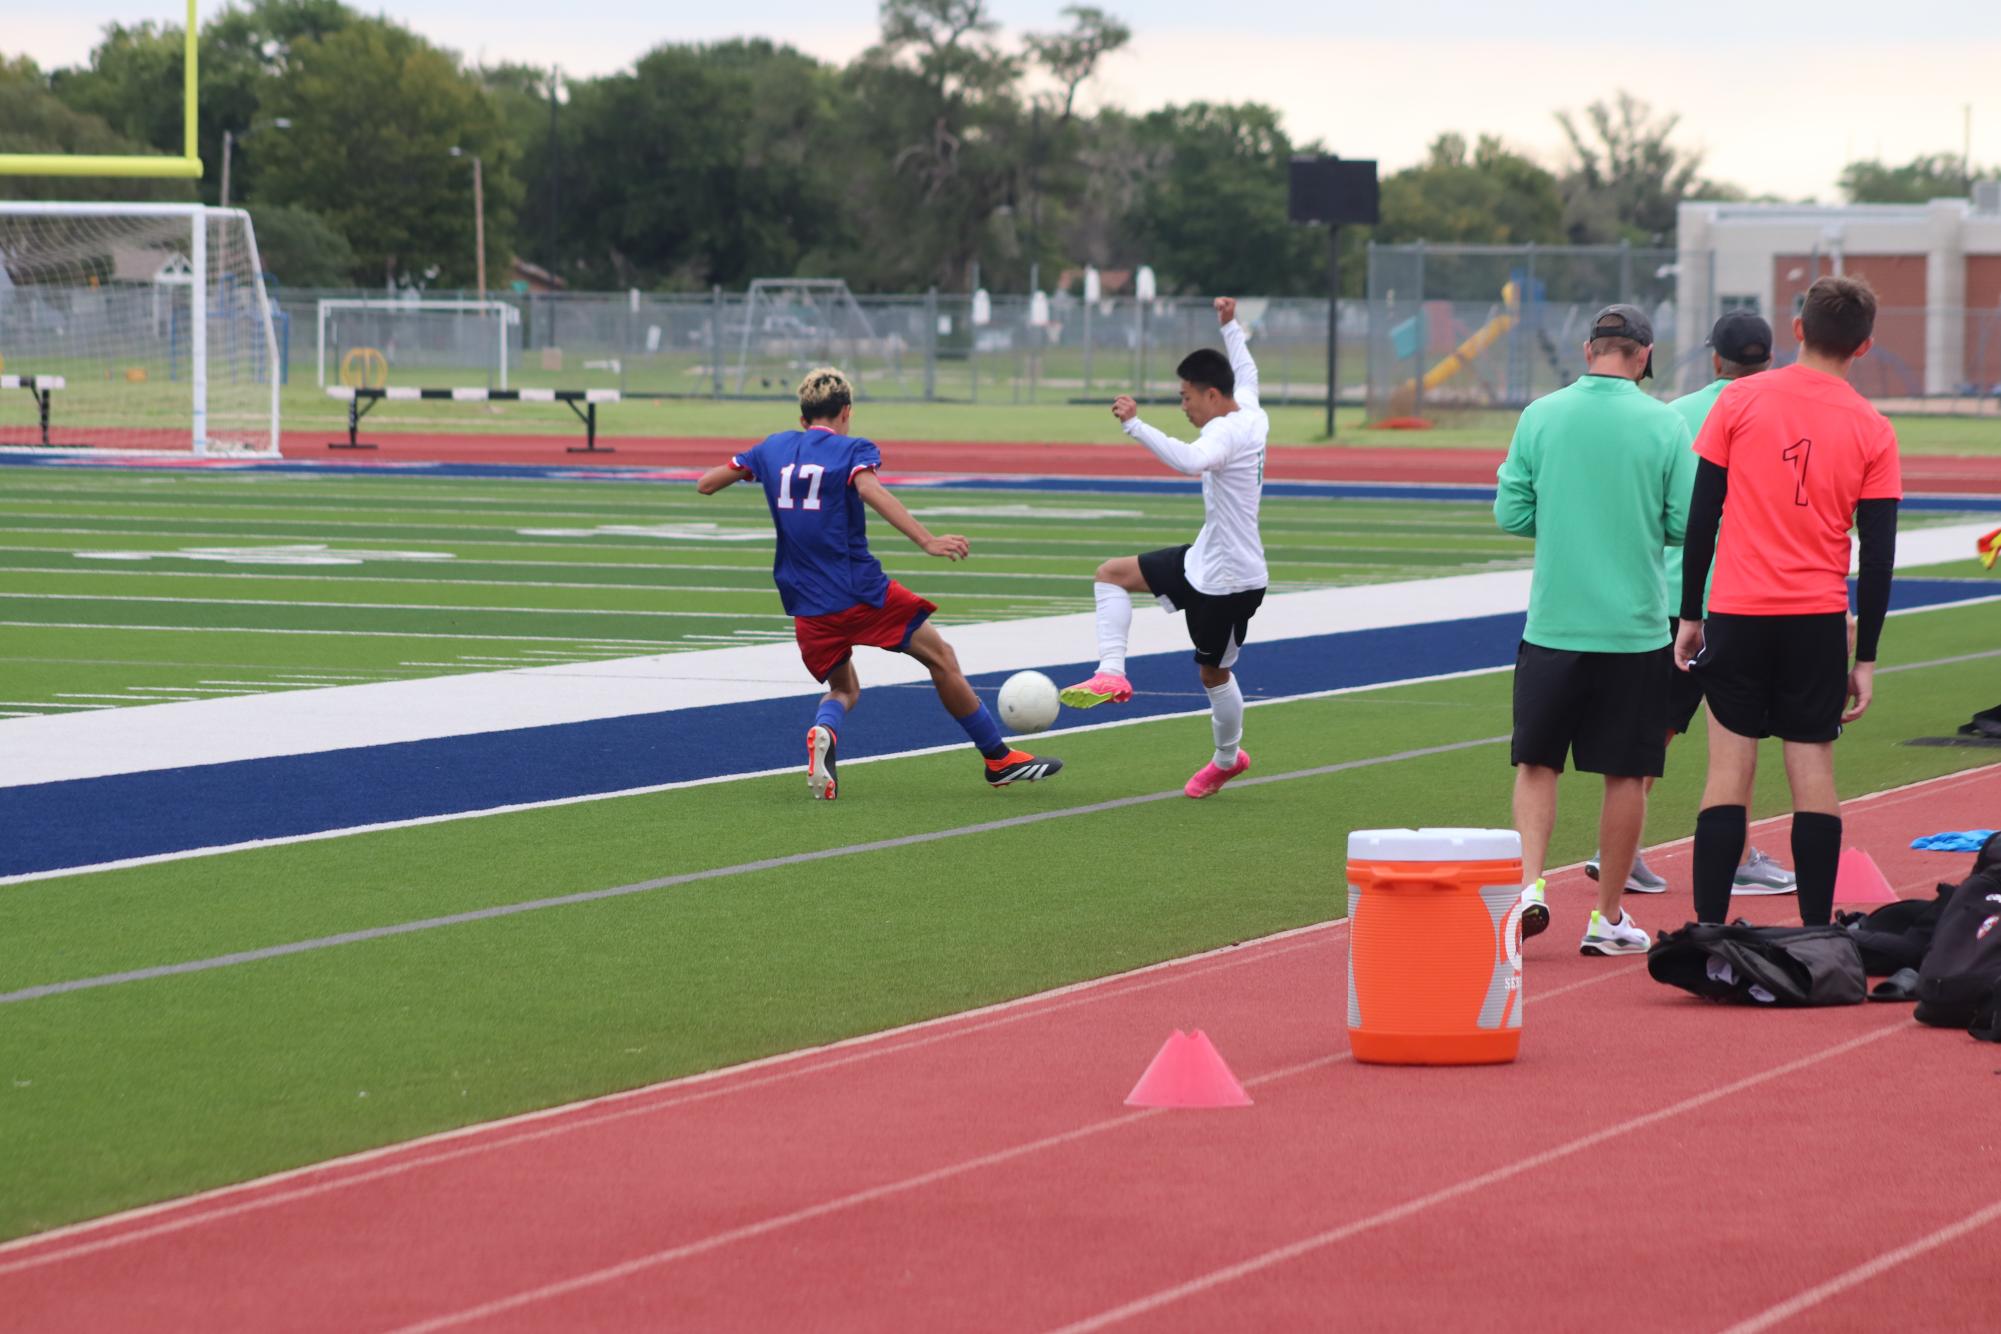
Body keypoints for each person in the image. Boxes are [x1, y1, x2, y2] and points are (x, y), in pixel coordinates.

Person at [697, 367, 1062, 800]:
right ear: (847, 412)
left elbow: (705, 484)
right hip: (861, 593)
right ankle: (998, 760)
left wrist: (753, 469)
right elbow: (871, 490)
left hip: (807, 606)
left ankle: (824, 729)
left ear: (802, 417)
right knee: (941, 658)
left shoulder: (772, 447)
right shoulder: (853, 450)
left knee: (844, 688)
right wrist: (927, 540)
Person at [1675, 275, 1901, 927]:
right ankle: (1813, 933)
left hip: (1738, 612)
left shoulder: (1739, 400)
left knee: (1726, 774)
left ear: (1797, 330)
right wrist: (1867, 657)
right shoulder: (1871, 427)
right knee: (1813, 774)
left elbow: (1701, 518)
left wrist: (1691, 614)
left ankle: (1709, 932)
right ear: (1862, 347)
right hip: (1815, 619)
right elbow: (1878, 555)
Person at [1495, 304, 1698, 955]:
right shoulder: (1663, 423)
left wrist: (1563, 518)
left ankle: (1529, 885)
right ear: (1642, 356)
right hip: (1634, 630)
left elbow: (1510, 511)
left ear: (1588, 350)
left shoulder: (1540, 415)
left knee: (1535, 761)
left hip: (1554, 624)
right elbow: (1683, 523)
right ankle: (1606, 917)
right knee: (1626, 773)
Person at [1584, 310, 1798, 898]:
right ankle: (1737, 855)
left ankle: (1619, 850)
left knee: (1658, 728)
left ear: (1713, 359)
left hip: (1680, 594)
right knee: (1740, 733)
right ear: (1770, 357)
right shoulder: (1782, 412)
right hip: (1747, 596)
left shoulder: (1677, 414)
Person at [1058, 297, 1269, 799]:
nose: (1183, 405)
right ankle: (1111, 674)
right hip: (1203, 560)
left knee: (1213, 673)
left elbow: (1191, 461)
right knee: (1110, 574)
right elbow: (1246, 368)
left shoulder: (1224, 433)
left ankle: (1227, 758)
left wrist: (1135, 425)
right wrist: (1230, 326)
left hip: (1232, 580)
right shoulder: (1251, 408)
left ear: (1213, 396)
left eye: (1186, 397)